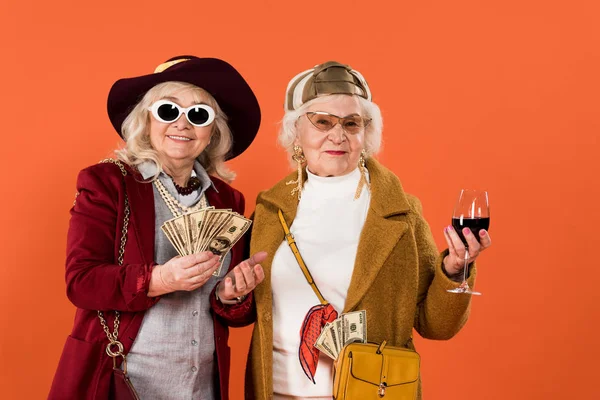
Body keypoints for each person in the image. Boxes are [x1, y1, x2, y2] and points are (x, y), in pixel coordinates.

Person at [246, 61, 492, 399]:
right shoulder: (269, 210)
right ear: (296, 131)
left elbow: (436, 325)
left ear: (366, 133)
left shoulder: (400, 212)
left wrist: (454, 270)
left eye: (351, 123)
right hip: (277, 392)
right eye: (323, 122)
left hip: (372, 390)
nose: (338, 135)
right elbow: (245, 307)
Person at [49, 56, 266, 400]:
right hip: (125, 381)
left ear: (211, 132)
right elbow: (81, 283)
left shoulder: (227, 200)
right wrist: (159, 280)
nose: (182, 124)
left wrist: (231, 295)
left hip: (202, 387)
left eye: (198, 115)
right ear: (146, 120)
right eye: (168, 111)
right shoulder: (108, 182)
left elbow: (229, 313)